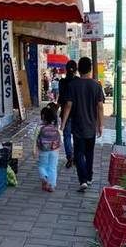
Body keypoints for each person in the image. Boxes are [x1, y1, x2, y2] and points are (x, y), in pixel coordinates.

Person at [61, 57, 104, 192]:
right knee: (89, 153)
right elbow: (100, 107)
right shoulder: (96, 85)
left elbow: (68, 106)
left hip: (77, 126)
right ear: (90, 69)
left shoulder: (73, 85)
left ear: (78, 69)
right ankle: (89, 177)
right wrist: (100, 125)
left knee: (79, 153)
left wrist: (63, 124)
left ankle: (83, 180)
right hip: (91, 127)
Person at [33, 106, 62, 192]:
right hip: (54, 150)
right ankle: (51, 185)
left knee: (42, 166)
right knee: (53, 167)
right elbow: (60, 136)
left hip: (43, 150)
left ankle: (44, 177)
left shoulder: (40, 127)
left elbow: (35, 138)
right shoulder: (55, 126)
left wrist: (34, 150)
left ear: (43, 116)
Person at [57, 60, 78, 168]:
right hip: (78, 114)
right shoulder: (79, 81)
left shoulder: (62, 82)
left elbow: (61, 98)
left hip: (66, 114)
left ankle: (70, 157)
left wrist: (57, 107)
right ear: (76, 70)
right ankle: (77, 157)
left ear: (66, 69)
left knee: (67, 136)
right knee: (77, 136)